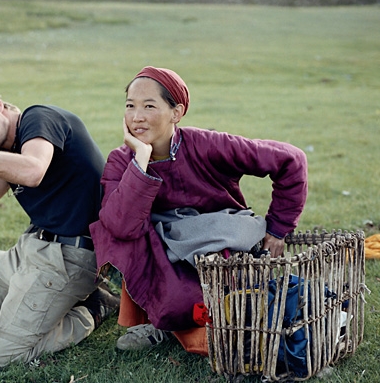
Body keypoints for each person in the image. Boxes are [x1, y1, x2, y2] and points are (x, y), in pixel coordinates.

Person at [90, 66, 308, 351]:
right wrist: (140, 160)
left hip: (219, 243)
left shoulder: (208, 145)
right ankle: (164, 323)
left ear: (176, 113)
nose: (136, 117)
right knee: (121, 238)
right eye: (130, 106)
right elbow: (120, 224)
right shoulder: (122, 159)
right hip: (160, 250)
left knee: (211, 295)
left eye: (149, 106)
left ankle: (186, 323)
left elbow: (291, 160)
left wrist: (278, 228)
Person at [0, 89, 120, 367]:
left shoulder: (39, 117)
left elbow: (32, 171)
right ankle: (29, 298)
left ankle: (95, 306)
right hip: (29, 251)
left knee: (0, 356)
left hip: (70, 259)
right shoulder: (7, 152)